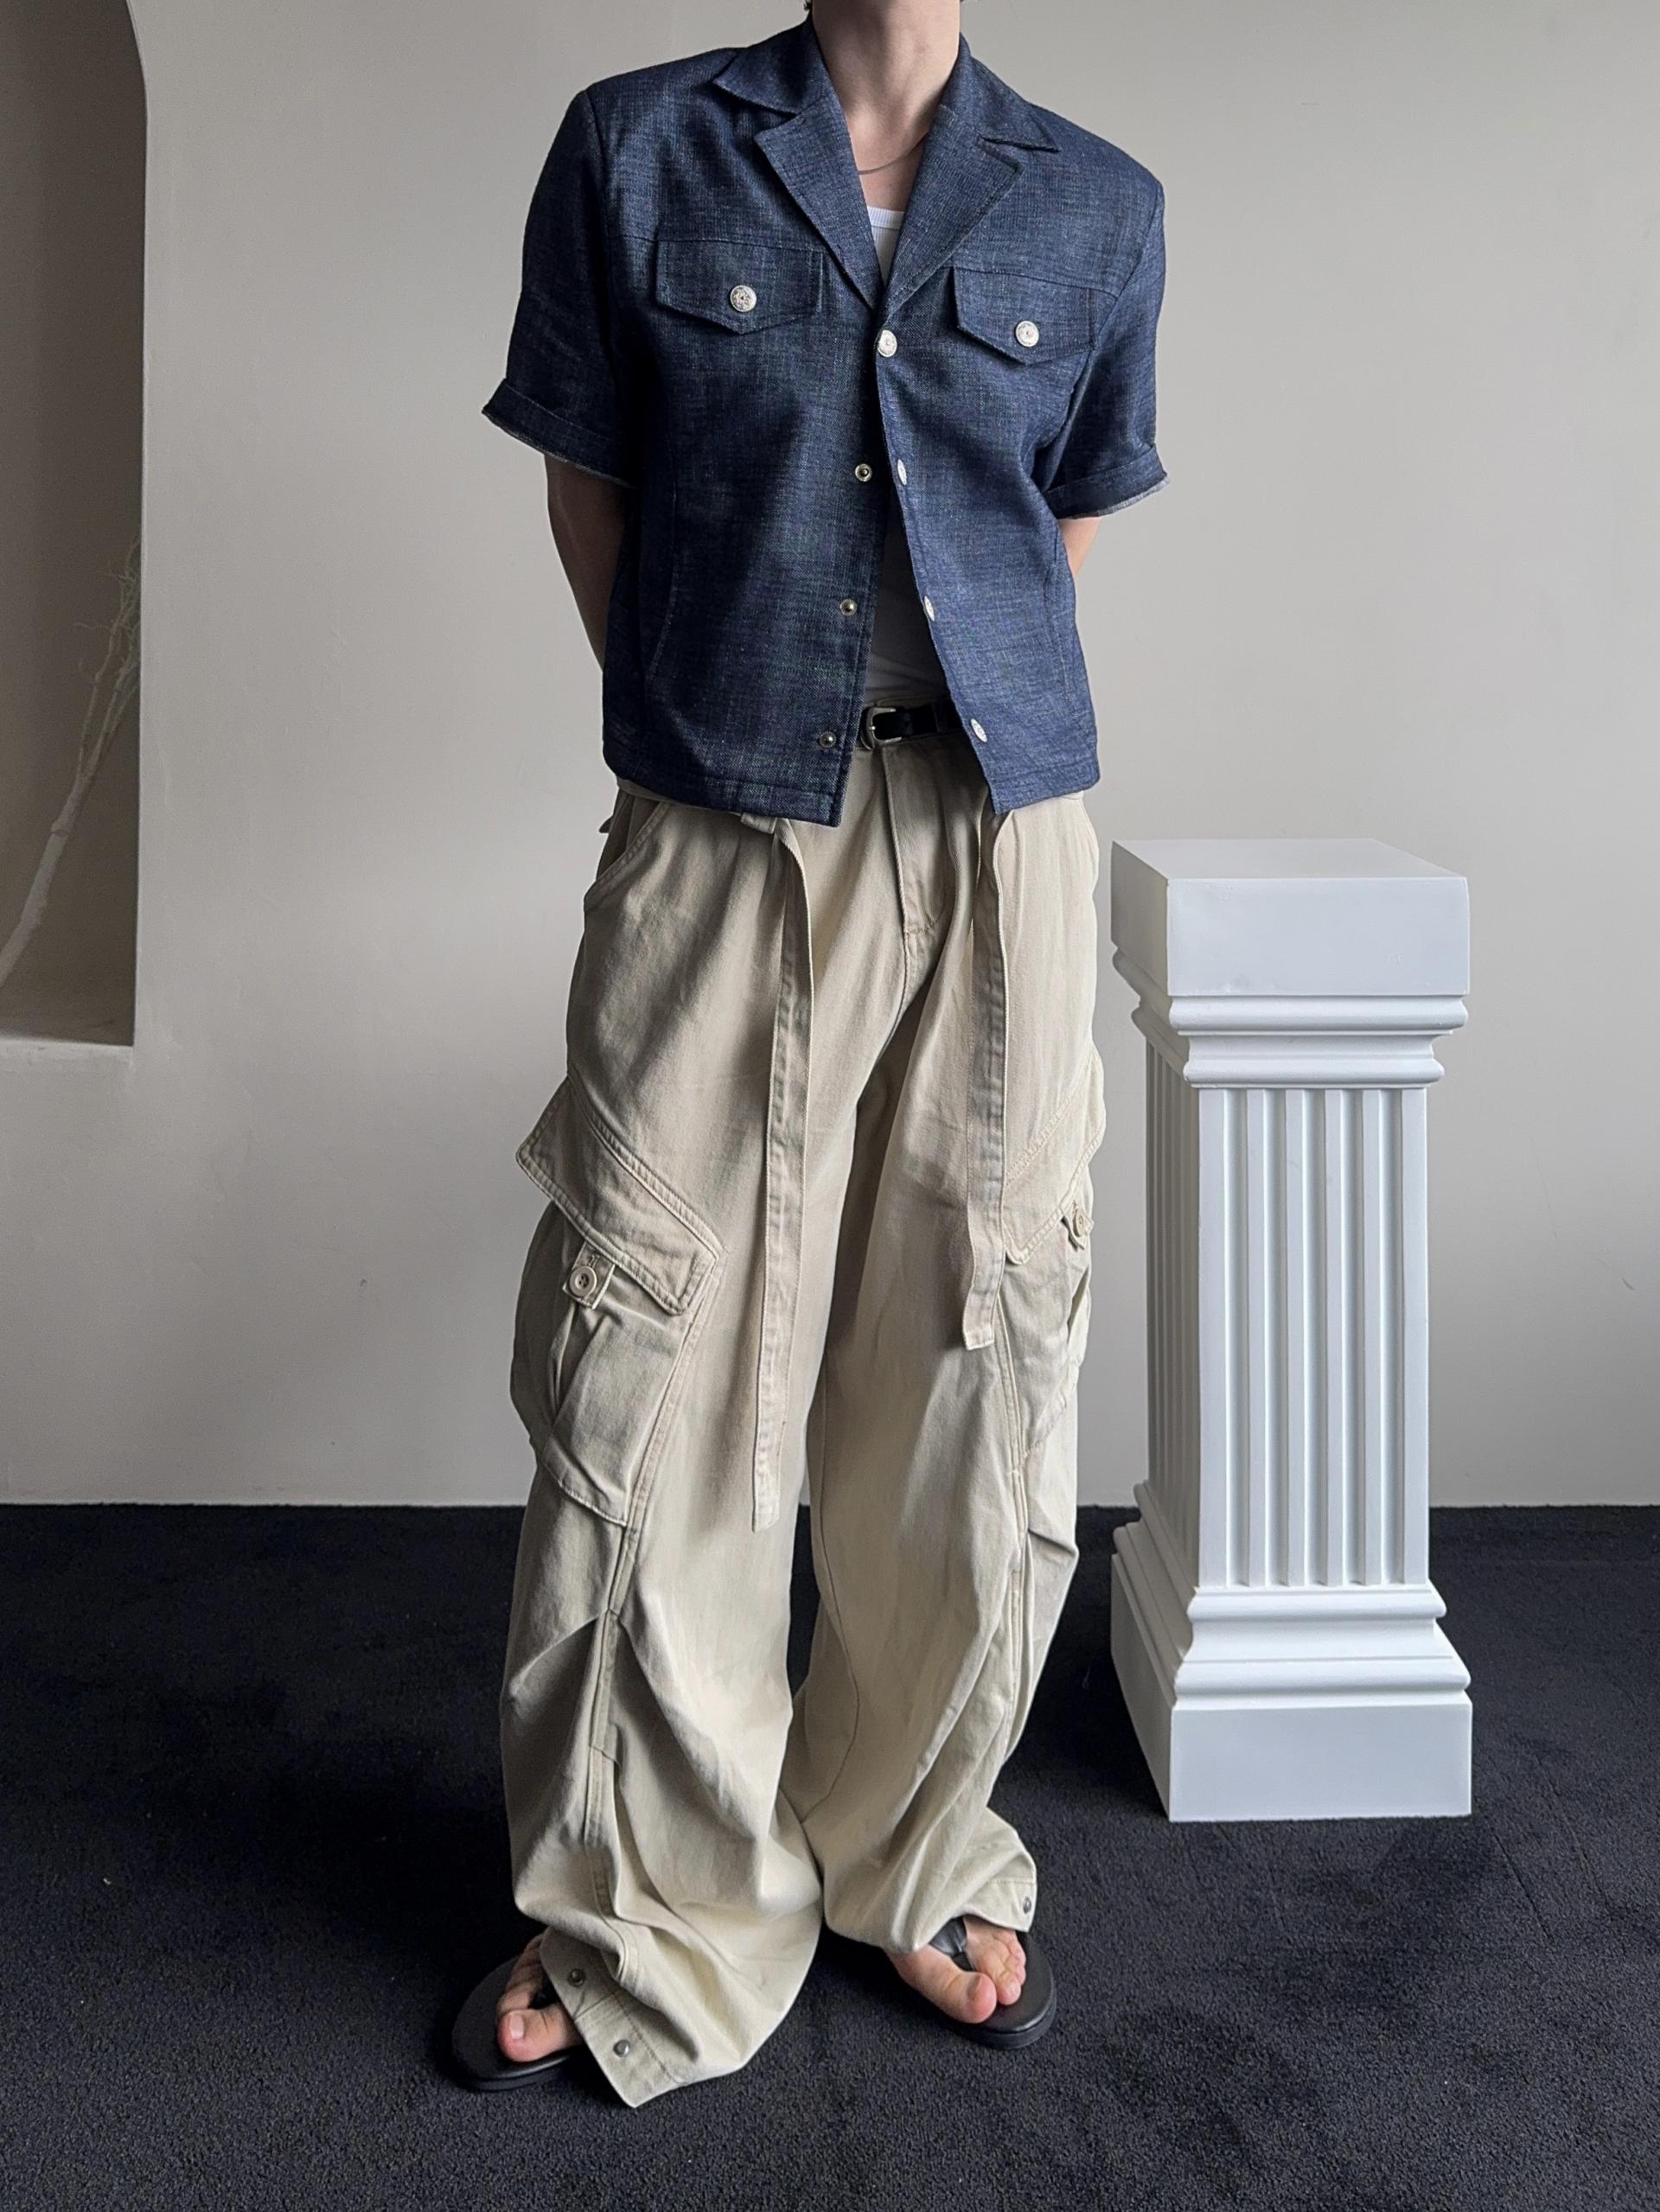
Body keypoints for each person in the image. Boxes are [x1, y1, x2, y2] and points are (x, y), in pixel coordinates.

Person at [448, 0, 1167, 2107]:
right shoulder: (635, 149)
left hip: (1004, 830)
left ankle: (908, 1847)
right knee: (654, 1346)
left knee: (977, 1343)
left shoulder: (1098, 204)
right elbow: (591, 489)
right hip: (722, 815)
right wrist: (723, 718)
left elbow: (1060, 534)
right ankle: (647, 1909)